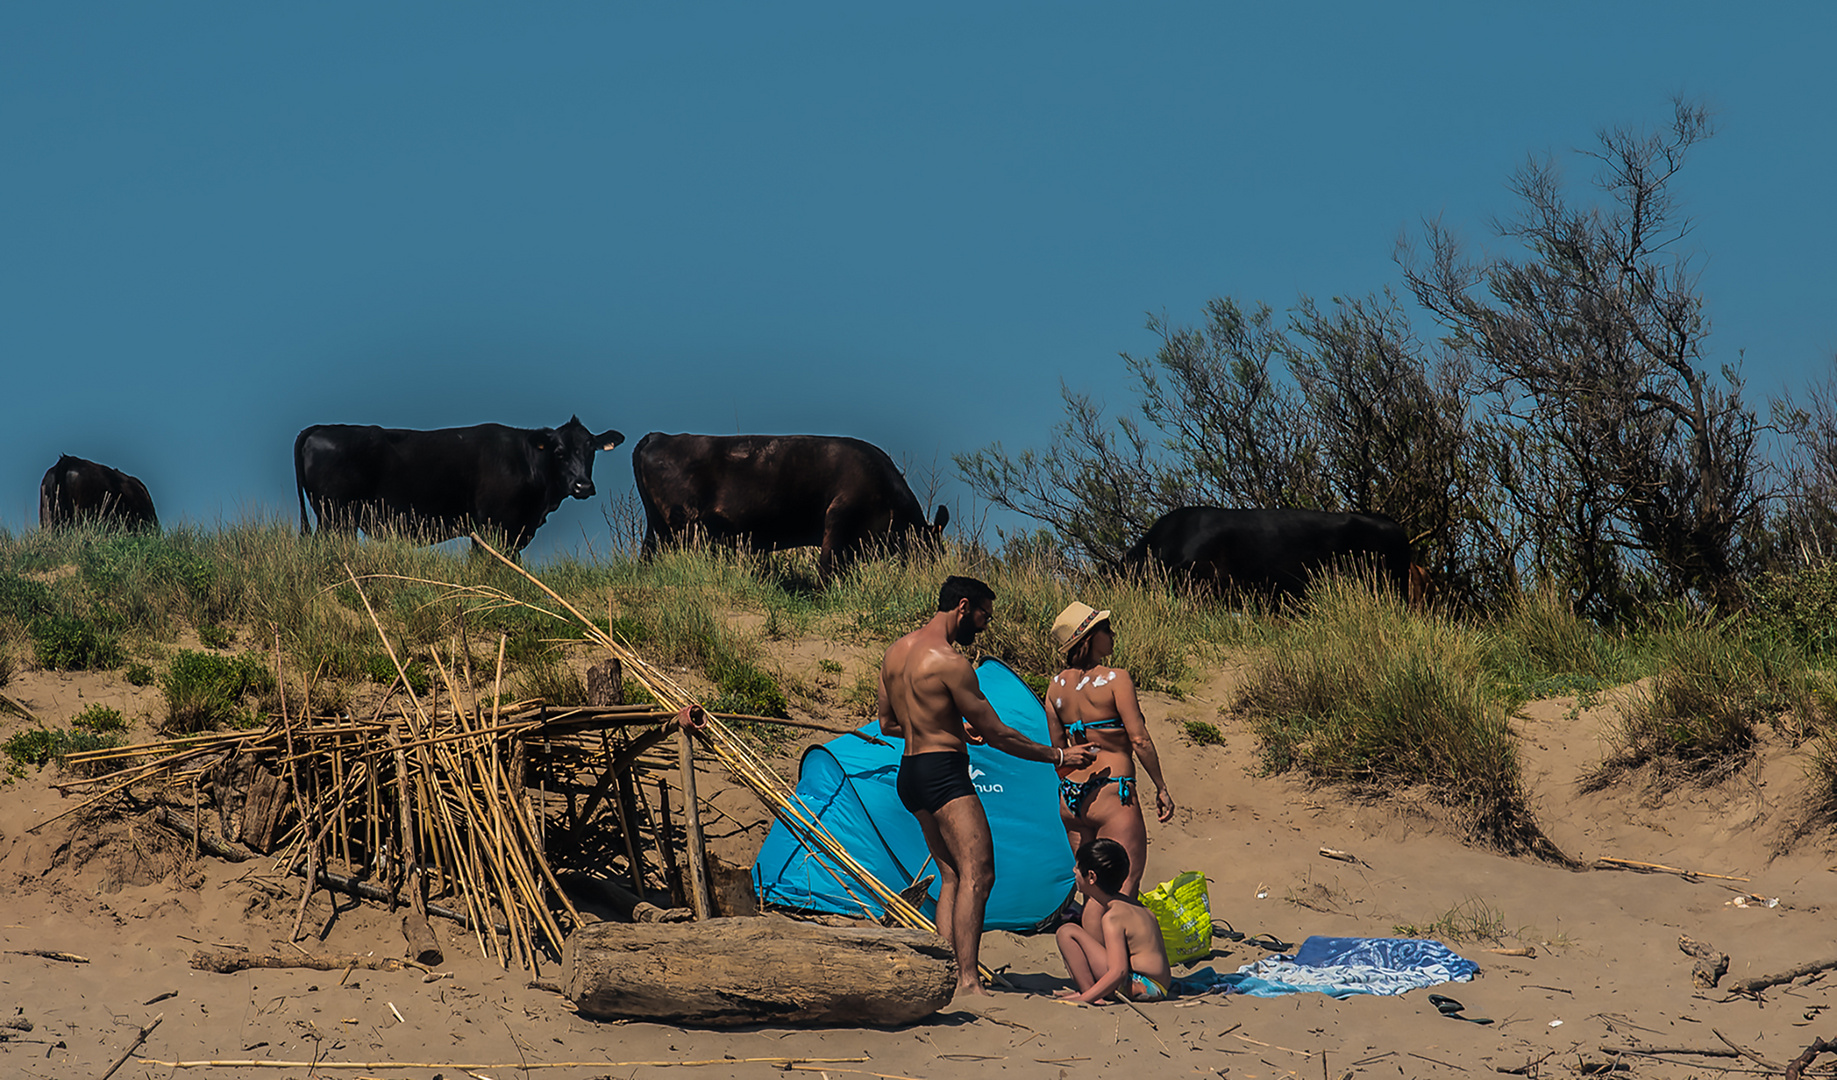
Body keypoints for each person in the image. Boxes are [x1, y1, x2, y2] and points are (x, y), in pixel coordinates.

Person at [878, 575, 1098, 998]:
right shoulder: (949, 662)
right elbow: (999, 734)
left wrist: (952, 725)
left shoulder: (895, 654)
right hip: (944, 774)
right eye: (982, 617)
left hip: (910, 773)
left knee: (950, 875)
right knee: (979, 874)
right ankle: (967, 982)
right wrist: (1058, 756)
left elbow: (889, 723)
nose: (983, 626)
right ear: (963, 607)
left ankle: (942, 975)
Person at [1045, 601, 1174, 900]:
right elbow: (1139, 739)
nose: (1113, 634)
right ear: (1088, 638)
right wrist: (1161, 787)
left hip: (1071, 796)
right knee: (1123, 887)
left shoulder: (1055, 687)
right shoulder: (1116, 679)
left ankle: (1095, 946)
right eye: (1106, 628)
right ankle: (1116, 948)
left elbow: (1058, 751)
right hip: (1111, 792)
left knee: (1093, 892)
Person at [1054, 837, 1174, 1003]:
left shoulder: (1113, 916)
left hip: (1143, 986)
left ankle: (1089, 994)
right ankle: (1092, 992)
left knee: (1067, 931)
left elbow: (1119, 971)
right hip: (1160, 985)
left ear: (1091, 876)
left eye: (1077, 867)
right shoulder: (1133, 905)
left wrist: (1084, 999)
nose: (1074, 871)